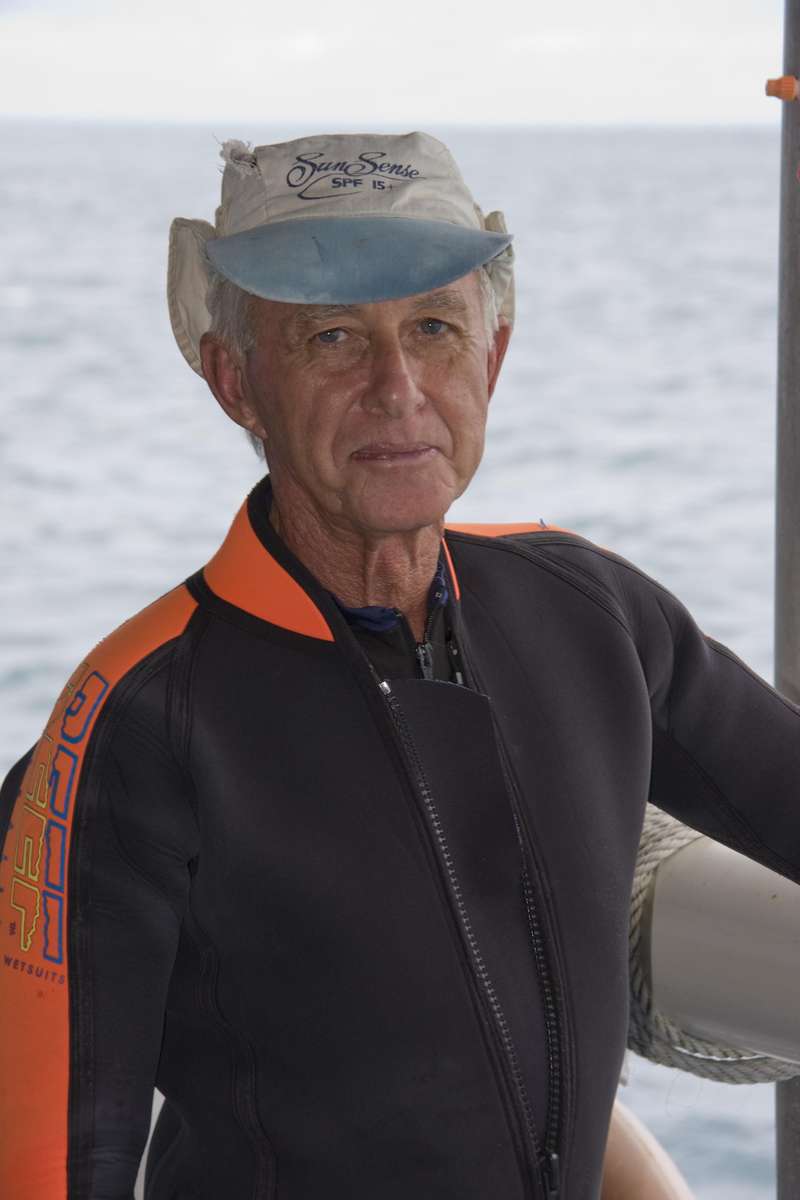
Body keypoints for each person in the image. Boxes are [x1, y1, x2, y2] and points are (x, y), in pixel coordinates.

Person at [0, 130, 795, 1200]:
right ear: (234, 379)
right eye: (331, 338)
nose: (397, 387)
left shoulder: (590, 611)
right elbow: (48, 1166)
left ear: (493, 357)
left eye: (433, 329)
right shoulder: (136, 725)